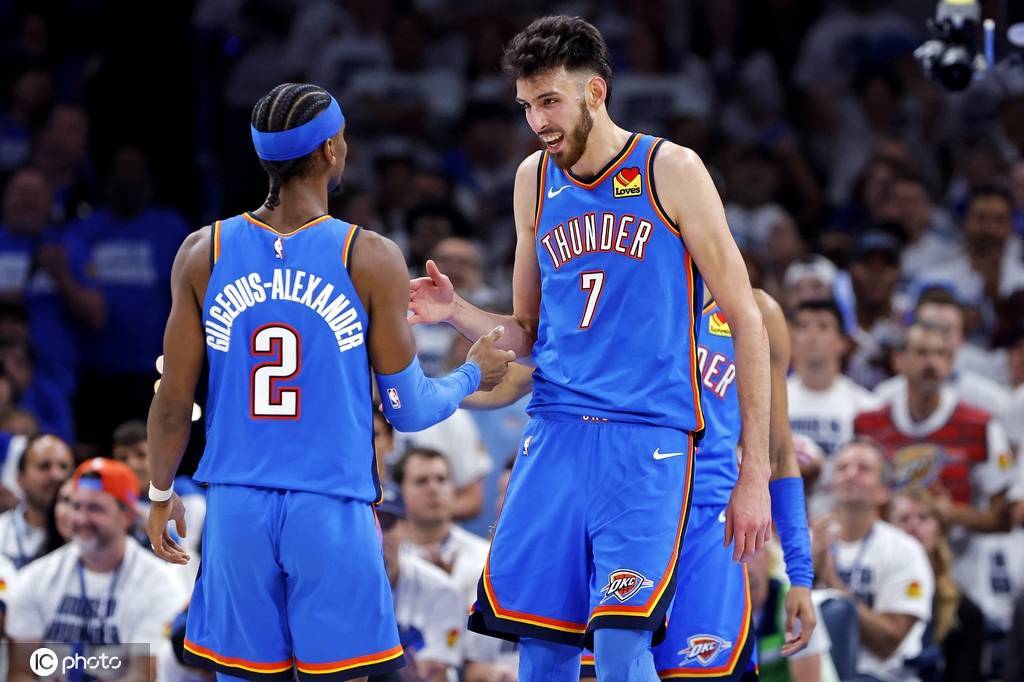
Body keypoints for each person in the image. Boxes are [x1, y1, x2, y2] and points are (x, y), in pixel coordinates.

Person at [408, 17, 772, 679]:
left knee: (620, 646)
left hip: (646, 440)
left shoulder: (671, 169)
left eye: (550, 101)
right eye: (526, 105)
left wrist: (755, 473)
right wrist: (454, 310)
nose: (537, 122)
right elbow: (526, 331)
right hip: (555, 435)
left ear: (595, 92)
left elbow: (747, 320)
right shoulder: (532, 179)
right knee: (541, 646)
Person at [145, 82, 513, 680]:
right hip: (331, 508)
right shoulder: (368, 256)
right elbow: (409, 409)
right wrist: (473, 371)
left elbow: (171, 403)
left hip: (237, 507)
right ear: (329, 151)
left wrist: (160, 494)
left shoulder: (201, 252)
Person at [461, 291, 812, 680]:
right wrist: (427, 389)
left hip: (706, 524)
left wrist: (800, 575)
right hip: (630, 510)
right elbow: (516, 379)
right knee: (607, 665)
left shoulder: (757, 312)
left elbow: (780, 452)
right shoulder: (624, 287)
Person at [6, 458, 187, 681]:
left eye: (95, 508)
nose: (81, 519)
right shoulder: (35, 578)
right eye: (76, 506)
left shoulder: (160, 585)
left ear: (127, 515)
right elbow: (21, 671)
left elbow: (143, 675)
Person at [811, 440, 935, 682]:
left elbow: (888, 642)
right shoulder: (809, 541)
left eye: (864, 468)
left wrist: (834, 584)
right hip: (814, 671)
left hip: (882, 675)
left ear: (883, 491)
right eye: (842, 467)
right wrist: (810, 576)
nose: (851, 474)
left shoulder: (905, 551)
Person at [888, 487, 985, 682]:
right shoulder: (872, 594)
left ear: (939, 530)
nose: (913, 526)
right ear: (886, 531)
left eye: (923, 518)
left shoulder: (963, 611)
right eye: (904, 519)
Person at [377, 486, 465, 682]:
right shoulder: (341, 588)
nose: (379, 535)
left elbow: (435, 673)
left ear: (406, 529)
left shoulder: (441, 589)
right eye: (371, 525)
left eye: (387, 525)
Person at [393, 446, 489, 604]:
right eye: (421, 481)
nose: (433, 489)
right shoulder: (389, 558)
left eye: (441, 479)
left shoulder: (483, 557)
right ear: (400, 492)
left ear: (453, 488)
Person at [0, 433, 73, 568]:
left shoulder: (83, 536)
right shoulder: (2, 531)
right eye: (44, 466)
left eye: (63, 466)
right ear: (20, 479)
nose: (57, 476)